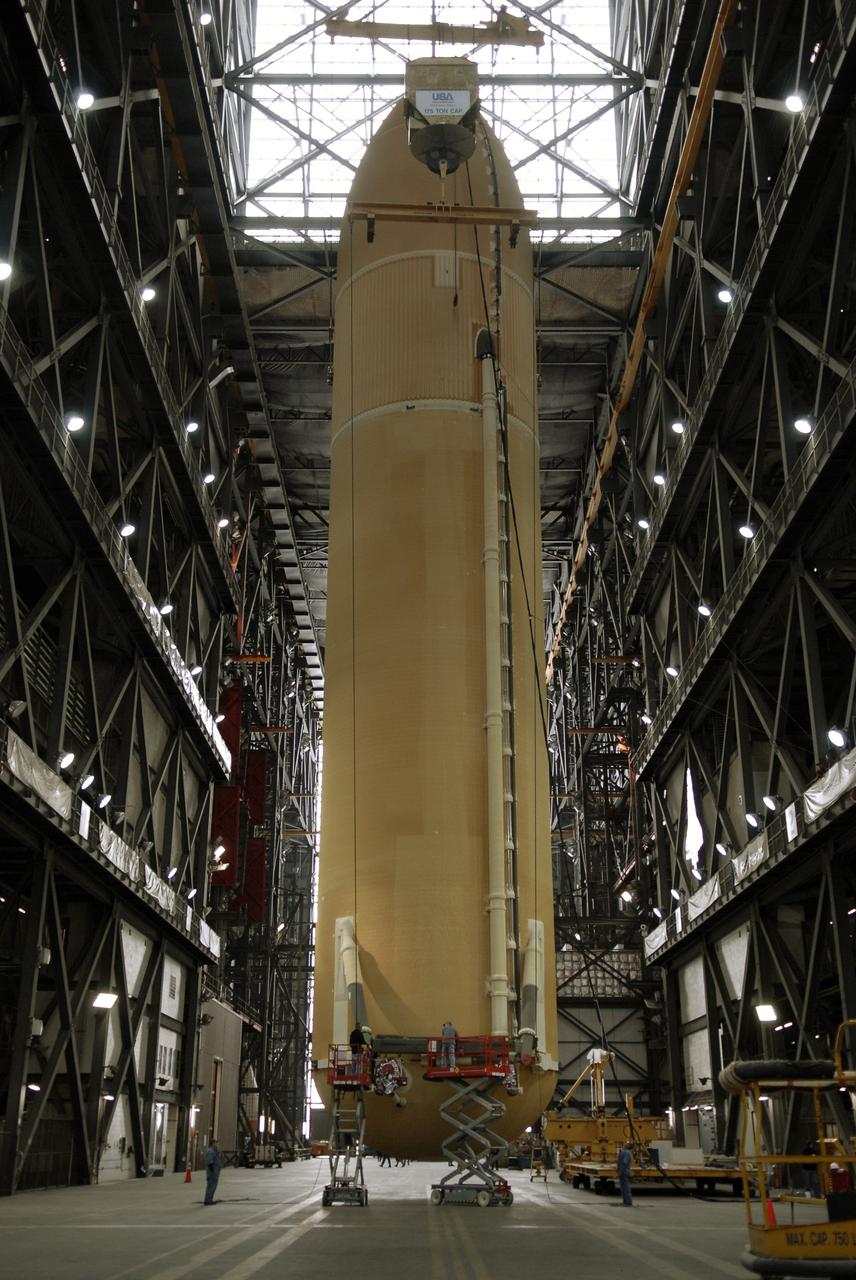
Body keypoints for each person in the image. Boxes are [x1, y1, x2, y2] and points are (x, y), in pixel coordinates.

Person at [204, 1137, 221, 1205]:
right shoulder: (210, 1151)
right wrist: (213, 1171)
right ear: (213, 1144)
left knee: (212, 1186)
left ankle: (209, 1199)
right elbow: (210, 1162)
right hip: (212, 1173)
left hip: (215, 1172)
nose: (217, 1145)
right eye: (216, 1143)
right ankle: (208, 1200)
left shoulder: (214, 1151)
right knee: (211, 1186)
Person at [617, 1140, 634, 1206]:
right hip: (623, 1171)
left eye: (626, 1144)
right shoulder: (625, 1152)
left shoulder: (627, 1153)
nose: (624, 1144)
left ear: (628, 1146)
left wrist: (621, 1170)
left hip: (624, 1172)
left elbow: (624, 1162)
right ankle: (625, 1201)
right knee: (623, 1187)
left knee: (625, 1187)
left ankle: (628, 1202)